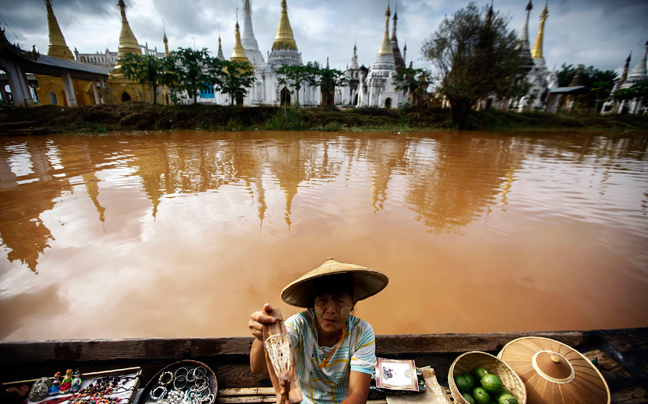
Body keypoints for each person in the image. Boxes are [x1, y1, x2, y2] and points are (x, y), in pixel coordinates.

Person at [249, 258, 389, 404]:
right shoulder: (298, 326)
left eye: (339, 301)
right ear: (313, 303)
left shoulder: (361, 332)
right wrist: (262, 336)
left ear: (353, 303)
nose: (330, 310)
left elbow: (357, 394)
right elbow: (257, 368)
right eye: (322, 300)